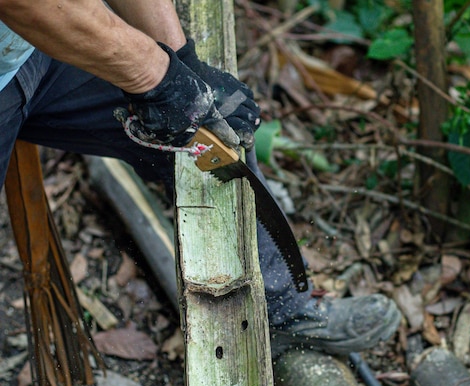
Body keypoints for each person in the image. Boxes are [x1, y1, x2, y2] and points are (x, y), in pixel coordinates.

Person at [0, 0, 401, 357]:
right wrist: (155, 78)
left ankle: (284, 314)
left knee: (210, 134)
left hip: (33, 47)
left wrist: (182, 63)